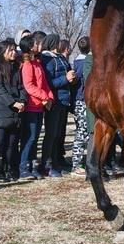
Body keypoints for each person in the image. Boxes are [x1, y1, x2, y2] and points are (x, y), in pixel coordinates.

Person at [39, 33, 76, 178]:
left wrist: (71, 79)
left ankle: (55, 163)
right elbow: (49, 83)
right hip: (53, 102)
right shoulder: (47, 59)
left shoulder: (61, 58)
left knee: (58, 135)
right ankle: (46, 165)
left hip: (64, 101)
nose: (61, 43)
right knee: (51, 135)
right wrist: (65, 79)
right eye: (59, 41)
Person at [19, 34, 53, 179]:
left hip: (40, 105)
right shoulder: (27, 64)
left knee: (36, 137)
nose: (38, 45)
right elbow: (29, 86)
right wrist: (44, 96)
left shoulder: (37, 63)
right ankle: (23, 167)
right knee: (30, 137)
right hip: (31, 105)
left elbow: (44, 82)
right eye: (35, 43)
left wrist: (50, 97)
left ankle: (33, 166)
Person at [0, 39, 26, 182]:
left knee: (11, 144)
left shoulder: (16, 67)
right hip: (2, 110)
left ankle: (7, 168)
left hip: (16, 112)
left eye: (14, 50)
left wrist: (22, 101)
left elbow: (22, 87)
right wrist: (12, 103)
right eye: (10, 50)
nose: (14, 53)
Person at [71, 36, 90, 178]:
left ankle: (87, 163)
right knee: (81, 133)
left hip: (84, 101)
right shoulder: (82, 62)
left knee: (88, 134)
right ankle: (76, 165)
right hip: (82, 101)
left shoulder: (78, 60)